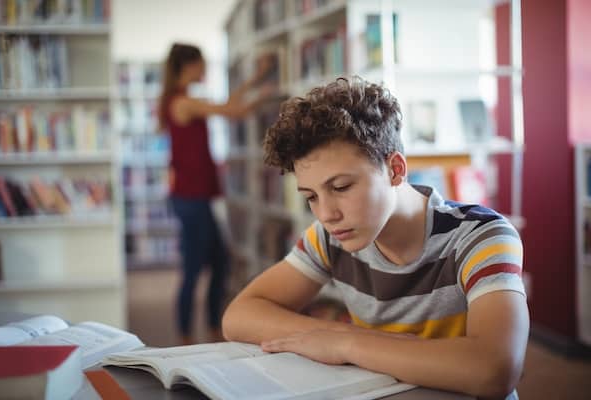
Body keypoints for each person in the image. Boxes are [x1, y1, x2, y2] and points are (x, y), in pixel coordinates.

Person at [222, 76, 529, 399]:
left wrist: (347, 344)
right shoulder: (330, 239)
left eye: (341, 187)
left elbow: (494, 370)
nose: (326, 214)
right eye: (311, 196)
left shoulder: (481, 236)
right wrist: (344, 336)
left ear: (395, 170)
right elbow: (239, 316)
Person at [158, 43, 268, 345]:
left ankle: (209, 329)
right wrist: (267, 93)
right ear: (188, 65)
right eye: (202, 63)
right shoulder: (182, 102)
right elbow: (234, 110)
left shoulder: (184, 100)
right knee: (195, 269)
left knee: (218, 263)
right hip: (190, 198)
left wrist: (257, 78)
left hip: (195, 197)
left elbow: (227, 103)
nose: (205, 69)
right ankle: (184, 337)